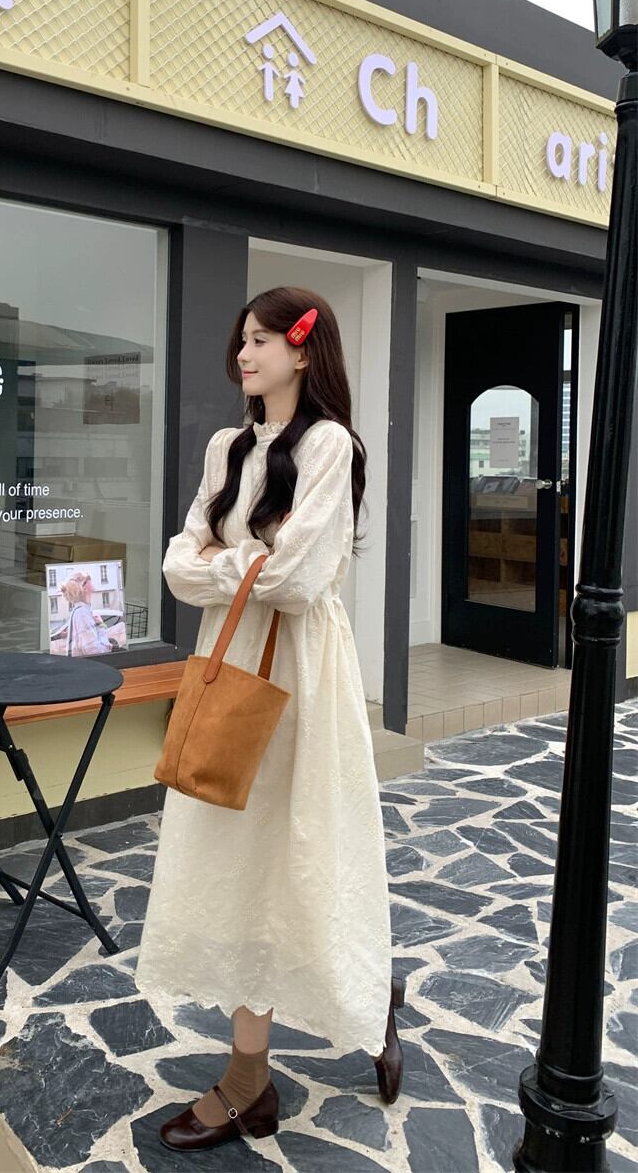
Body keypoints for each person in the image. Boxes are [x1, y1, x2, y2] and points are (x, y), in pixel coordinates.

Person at [133, 286, 404, 1154]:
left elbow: (296, 580)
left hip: (300, 674)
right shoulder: (228, 446)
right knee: (235, 857)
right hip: (231, 659)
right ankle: (253, 1074)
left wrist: (229, 558)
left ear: (302, 350)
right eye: (241, 339)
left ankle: (347, 1008)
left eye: (260, 340)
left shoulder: (330, 445)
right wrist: (248, 558)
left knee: (307, 852)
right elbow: (177, 566)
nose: (244, 354)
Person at [59, 571, 112, 656]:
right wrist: (102, 626)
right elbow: (95, 652)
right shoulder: (82, 613)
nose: (91, 579)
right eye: (88, 578)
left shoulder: (82, 611)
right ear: (84, 588)